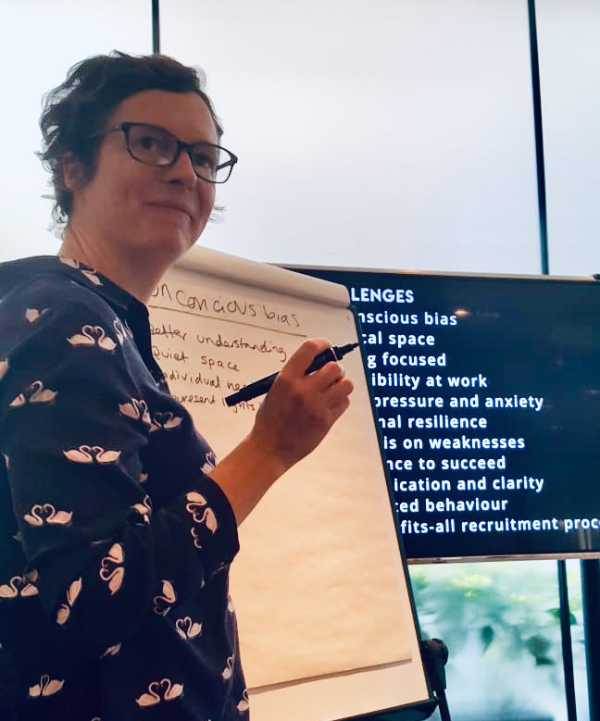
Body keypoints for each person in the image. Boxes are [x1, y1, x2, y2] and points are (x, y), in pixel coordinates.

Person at [0, 51, 353, 720]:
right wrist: (268, 450)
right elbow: (87, 597)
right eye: (151, 143)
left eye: (201, 155)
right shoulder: (66, 321)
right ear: (72, 167)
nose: (184, 171)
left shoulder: (101, 322)